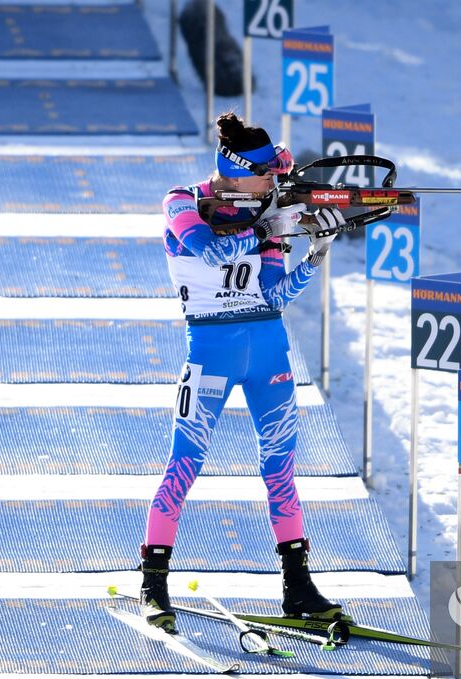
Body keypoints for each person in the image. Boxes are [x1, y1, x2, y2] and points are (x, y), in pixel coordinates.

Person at [139, 112, 347, 633]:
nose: (274, 184)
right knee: (185, 463)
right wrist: (264, 228)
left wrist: (315, 255)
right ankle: (153, 584)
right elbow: (208, 252)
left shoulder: (267, 214)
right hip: (211, 350)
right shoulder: (183, 201)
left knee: (281, 468)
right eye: (267, 175)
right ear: (236, 172)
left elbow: (274, 297)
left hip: (269, 350)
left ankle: (298, 587)